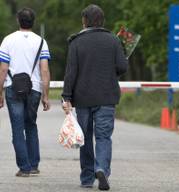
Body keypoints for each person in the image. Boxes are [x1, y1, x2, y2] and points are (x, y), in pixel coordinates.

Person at [62, 4, 128, 191]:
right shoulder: (113, 40)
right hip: (107, 97)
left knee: (84, 137)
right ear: (102, 20)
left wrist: (66, 96)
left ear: (84, 21)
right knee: (104, 136)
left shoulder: (76, 42)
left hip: (82, 98)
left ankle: (86, 178)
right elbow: (122, 67)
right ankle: (102, 169)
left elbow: (71, 72)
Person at [0, 7, 51, 177]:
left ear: (18, 20)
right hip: (34, 88)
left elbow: (3, 69)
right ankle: (34, 164)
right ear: (33, 22)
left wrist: (0, 93)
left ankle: (24, 168)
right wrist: (46, 95)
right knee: (31, 125)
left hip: (13, 88)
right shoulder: (41, 42)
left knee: (17, 128)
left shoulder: (8, 40)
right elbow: (44, 70)